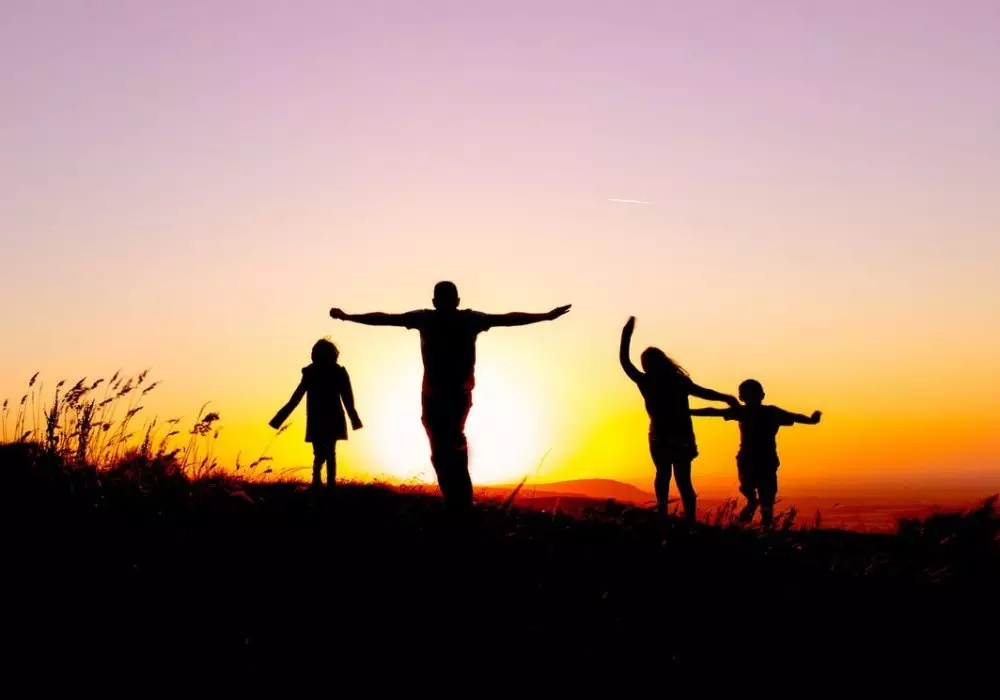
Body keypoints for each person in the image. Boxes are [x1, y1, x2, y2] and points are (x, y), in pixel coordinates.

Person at [329, 281, 570, 510]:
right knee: (442, 447)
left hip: (452, 394)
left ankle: (461, 502)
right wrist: (348, 317)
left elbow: (507, 319)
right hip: (437, 395)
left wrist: (545, 316)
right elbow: (386, 319)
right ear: (444, 301)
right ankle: (456, 501)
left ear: (451, 301)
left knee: (450, 443)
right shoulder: (442, 319)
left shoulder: (459, 319)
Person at [620, 316, 739, 522]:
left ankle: (663, 514)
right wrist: (725, 398)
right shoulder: (676, 380)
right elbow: (703, 392)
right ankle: (688, 519)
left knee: (663, 475)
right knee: (682, 479)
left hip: (660, 436)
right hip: (679, 435)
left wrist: (626, 334)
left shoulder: (646, 380)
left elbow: (624, 361)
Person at [691, 379, 821, 528]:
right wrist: (812, 420)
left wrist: (689, 412)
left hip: (751, 459)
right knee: (766, 495)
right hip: (764, 459)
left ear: (741, 398)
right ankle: (764, 523)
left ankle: (755, 514)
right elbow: (795, 417)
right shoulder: (771, 412)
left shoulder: (745, 412)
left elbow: (713, 411)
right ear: (762, 395)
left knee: (754, 491)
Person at [269, 338, 363, 489]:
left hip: (330, 417)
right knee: (321, 452)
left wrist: (354, 418)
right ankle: (318, 479)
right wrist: (278, 419)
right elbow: (296, 397)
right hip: (319, 417)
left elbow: (347, 397)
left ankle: (328, 483)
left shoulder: (337, 372)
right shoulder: (311, 373)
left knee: (329, 451)